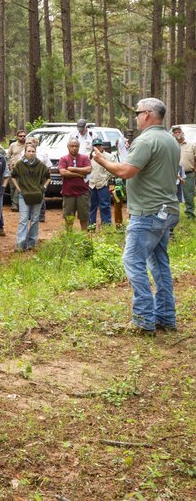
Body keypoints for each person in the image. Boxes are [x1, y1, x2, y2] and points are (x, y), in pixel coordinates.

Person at [91, 98, 180, 335]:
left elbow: (126, 171)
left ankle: (143, 319)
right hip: (167, 210)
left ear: (149, 115)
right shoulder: (170, 139)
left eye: (138, 112)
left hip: (148, 213)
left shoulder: (146, 140)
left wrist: (102, 160)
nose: (136, 116)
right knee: (159, 263)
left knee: (133, 262)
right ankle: (166, 317)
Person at [10, 143, 50, 251]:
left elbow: (48, 177)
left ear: (35, 152)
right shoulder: (20, 164)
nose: (31, 153)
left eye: (33, 151)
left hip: (37, 196)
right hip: (24, 195)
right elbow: (13, 176)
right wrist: (19, 189)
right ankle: (20, 244)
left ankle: (32, 243)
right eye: (29, 151)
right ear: (25, 152)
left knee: (35, 219)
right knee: (23, 219)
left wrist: (43, 188)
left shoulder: (40, 165)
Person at [58, 139, 91, 231]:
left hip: (83, 192)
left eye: (76, 146)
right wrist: (79, 174)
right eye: (72, 146)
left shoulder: (85, 158)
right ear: (68, 147)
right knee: (69, 218)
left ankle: (85, 240)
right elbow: (63, 172)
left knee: (84, 218)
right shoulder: (63, 159)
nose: (74, 148)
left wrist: (72, 168)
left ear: (79, 147)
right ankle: (69, 240)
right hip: (68, 193)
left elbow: (88, 169)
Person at [172, 125, 195, 220]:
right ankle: (173, 215)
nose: (178, 134)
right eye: (175, 132)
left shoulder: (191, 145)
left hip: (188, 173)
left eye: (179, 131)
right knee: (172, 194)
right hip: (173, 174)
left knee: (188, 194)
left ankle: (190, 214)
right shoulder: (171, 146)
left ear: (183, 133)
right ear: (172, 134)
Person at [89, 142, 113, 229]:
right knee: (91, 206)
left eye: (99, 145)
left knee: (105, 206)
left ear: (102, 146)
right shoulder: (90, 156)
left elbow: (112, 169)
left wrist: (109, 181)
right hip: (92, 184)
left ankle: (107, 227)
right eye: (95, 145)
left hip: (103, 184)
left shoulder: (108, 156)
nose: (97, 147)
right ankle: (91, 227)